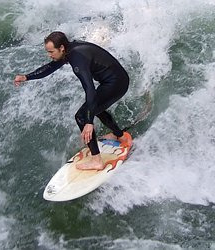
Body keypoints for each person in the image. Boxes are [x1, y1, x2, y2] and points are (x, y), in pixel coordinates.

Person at [14, 31, 130, 170]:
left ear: (61, 48)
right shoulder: (70, 50)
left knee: (81, 116)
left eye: (51, 51)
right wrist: (26, 77)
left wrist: (88, 122)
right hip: (118, 79)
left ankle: (97, 161)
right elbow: (50, 67)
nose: (49, 55)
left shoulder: (77, 60)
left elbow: (90, 89)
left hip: (115, 84)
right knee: (95, 107)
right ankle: (120, 136)